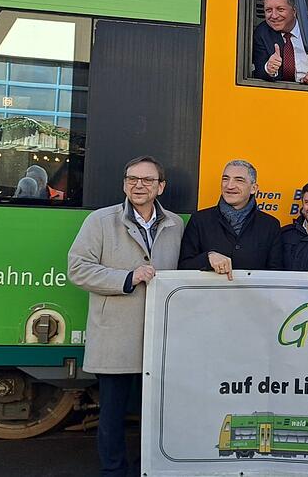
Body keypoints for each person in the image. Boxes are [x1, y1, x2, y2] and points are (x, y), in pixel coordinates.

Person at [67, 155, 183, 477]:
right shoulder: (100, 221)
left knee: (154, 415)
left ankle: (148, 468)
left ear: (161, 186)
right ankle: (114, 471)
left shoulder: (176, 224)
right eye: (132, 179)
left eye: (147, 180)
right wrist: (127, 278)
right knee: (113, 415)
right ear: (124, 183)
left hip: (158, 338)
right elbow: (78, 269)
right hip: (115, 335)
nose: (138, 185)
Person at [179, 160, 283, 278]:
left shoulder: (270, 225)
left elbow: (276, 274)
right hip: (209, 295)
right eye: (225, 179)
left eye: (239, 180)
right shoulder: (199, 220)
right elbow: (183, 266)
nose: (229, 185)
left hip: (253, 296)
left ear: (254, 188)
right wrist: (208, 258)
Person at [252, 0, 308, 85]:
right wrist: (268, 68)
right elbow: (258, 72)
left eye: (280, 9)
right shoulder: (261, 32)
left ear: (294, 11)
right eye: (268, 10)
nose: (274, 16)